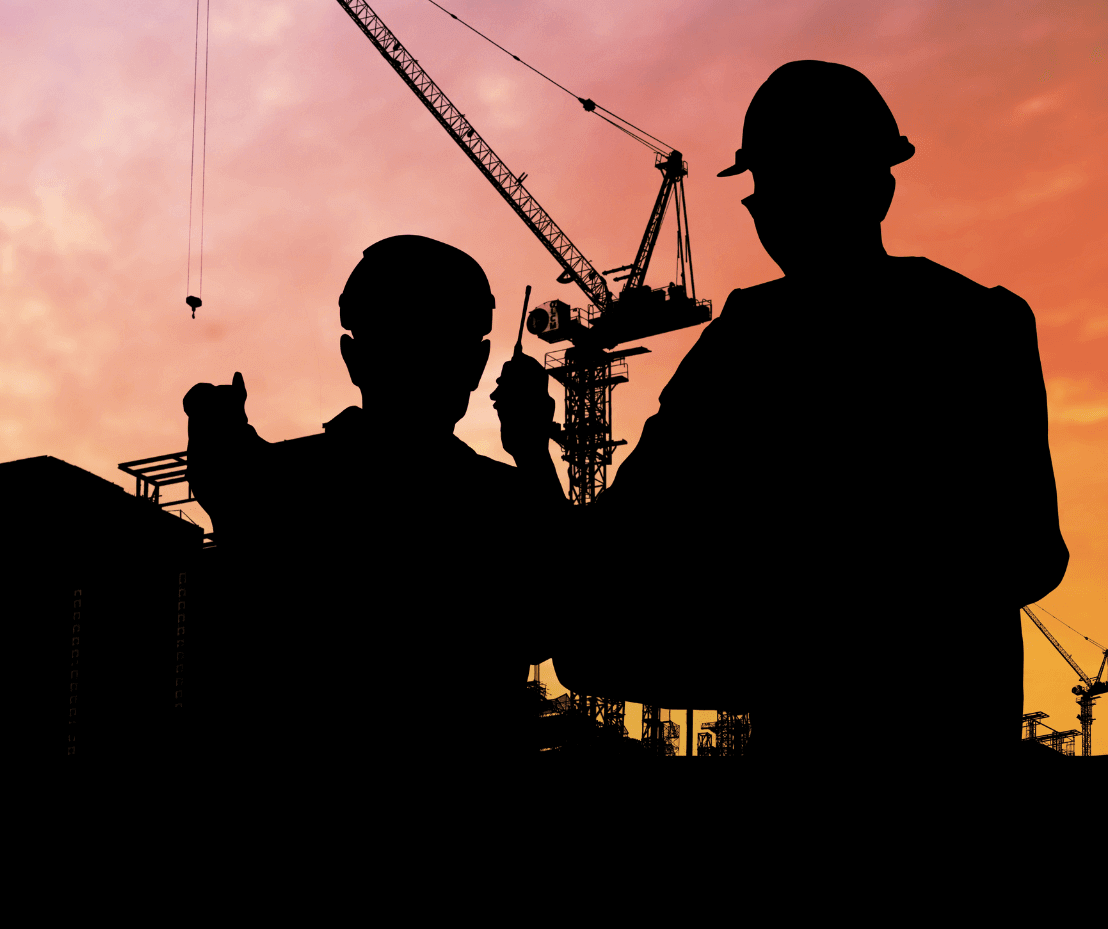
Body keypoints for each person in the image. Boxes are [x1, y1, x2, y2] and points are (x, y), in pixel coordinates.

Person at [548, 60, 1068, 761]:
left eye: (769, 189)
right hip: (956, 730)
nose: (767, 212)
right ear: (882, 186)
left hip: (815, 730)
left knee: (588, 645)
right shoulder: (986, 322)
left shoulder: (753, 337)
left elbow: (624, 535)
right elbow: (1032, 556)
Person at [182, 235, 564, 762]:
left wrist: (216, 425)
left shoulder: (287, 482)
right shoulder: (502, 502)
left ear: (353, 357)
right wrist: (531, 453)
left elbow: (228, 480)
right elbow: (557, 621)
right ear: (476, 367)